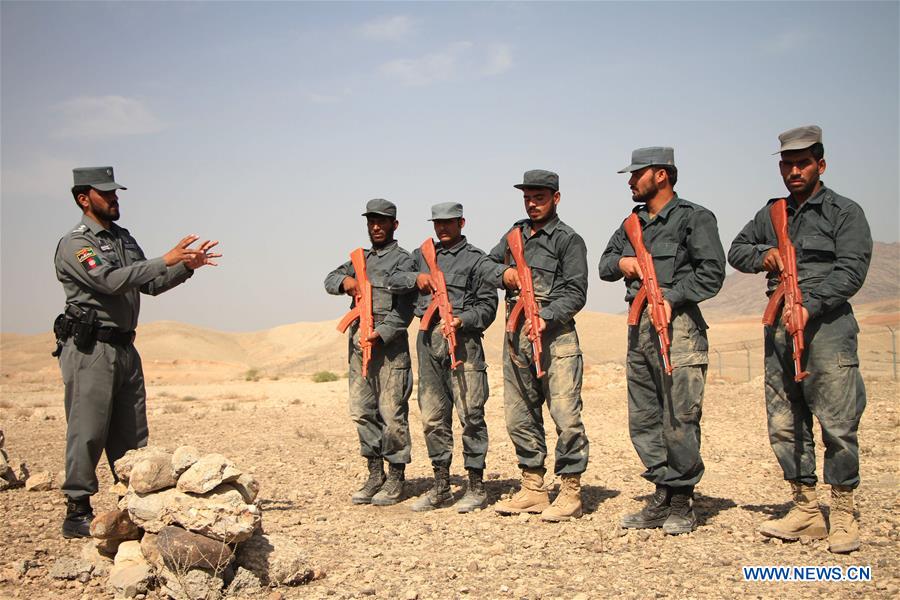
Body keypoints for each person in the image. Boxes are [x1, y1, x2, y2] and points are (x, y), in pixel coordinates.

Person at [54, 166, 220, 538]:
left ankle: (128, 506)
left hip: (126, 348)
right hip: (91, 348)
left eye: (116, 192)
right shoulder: (77, 243)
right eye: (105, 193)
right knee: (88, 429)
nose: (115, 198)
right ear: (84, 199)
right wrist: (166, 258)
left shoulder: (123, 239)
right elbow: (109, 281)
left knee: (132, 432)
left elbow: (152, 283)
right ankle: (77, 510)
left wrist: (185, 268)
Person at [728, 126, 872, 553]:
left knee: (838, 423)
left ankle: (843, 512)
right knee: (785, 421)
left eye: (803, 163)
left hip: (827, 328)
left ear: (820, 165)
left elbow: (852, 271)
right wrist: (763, 256)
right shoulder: (772, 214)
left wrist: (811, 303)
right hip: (779, 329)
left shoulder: (845, 212)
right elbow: (737, 249)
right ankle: (806, 508)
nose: (794, 171)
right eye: (787, 164)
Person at [599, 147, 726, 535]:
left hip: (680, 327)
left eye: (637, 174)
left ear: (661, 175)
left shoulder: (694, 218)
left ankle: (683, 498)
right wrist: (625, 263)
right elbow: (604, 265)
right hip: (640, 330)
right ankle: (661, 491)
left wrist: (671, 296)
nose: (630, 181)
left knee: (680, 417)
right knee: (644, 416)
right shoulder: (631, 223)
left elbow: (712, 273)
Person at [485, 169, 590, 522]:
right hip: (517, 340)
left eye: (539, 197)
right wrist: (504, 275)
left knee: (565, 415)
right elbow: (484, 265)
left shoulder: (567, 240)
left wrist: (546, 316)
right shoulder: (514, 235)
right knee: (519, 414)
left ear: (556, 198)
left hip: (555, 337)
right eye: (528, 198)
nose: (532, 204)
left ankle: (571, 491)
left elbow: (576, 292)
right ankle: (533, 488)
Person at [388, 202, 498, 512]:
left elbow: (488, 307)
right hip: (427, 339)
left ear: (462, 222)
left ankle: (476, 486)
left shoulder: (477, 260)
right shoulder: (422, 255)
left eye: (449, 222)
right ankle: (441, 486)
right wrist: (416, 280)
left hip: (463, 343)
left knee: (471, 414)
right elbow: (394, 280)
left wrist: (463, 320)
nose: (443, 228)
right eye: (438, 223)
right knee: (433, 417)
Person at [324, 199, 417, 506]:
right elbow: (330, 279)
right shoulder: (358, 260)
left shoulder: (404, 260)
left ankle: (395, 476)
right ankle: (374, 472)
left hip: (389, 348)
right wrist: (346, 281)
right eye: (371, 222)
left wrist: (383, 332)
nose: (376, 227)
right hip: (359, 346)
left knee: (392, 413)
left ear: (394, 225)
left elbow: (406, 308)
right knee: (363, 411)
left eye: (382, 222)